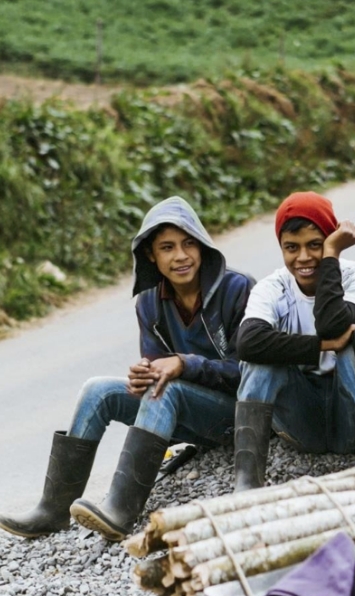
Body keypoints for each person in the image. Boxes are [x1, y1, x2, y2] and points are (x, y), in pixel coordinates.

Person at [0, 196, 254, 542]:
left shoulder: (237, 289)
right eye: (167, 247)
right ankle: (52, 510)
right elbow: (154, 375)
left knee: (168, 387)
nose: (181, 256)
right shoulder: (149, 302)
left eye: (188, 244)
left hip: (239, 416)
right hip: (183, 417)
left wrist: (184, 364)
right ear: (151, 255)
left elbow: (251, 375)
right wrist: (142, 377)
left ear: (202, 245)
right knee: (97, 390)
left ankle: (120, 508)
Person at [233, 191, 355, 504]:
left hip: (351, 416)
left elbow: (332, 323)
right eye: (291, 248)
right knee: (260, 359)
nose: (304, 258)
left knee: (352, 346)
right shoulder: (271, 287)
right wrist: (323, 345)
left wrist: (332, 255)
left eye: (315, 244)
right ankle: (246, 485)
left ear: (331, 238)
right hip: (302, 422)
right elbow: (248, 342)